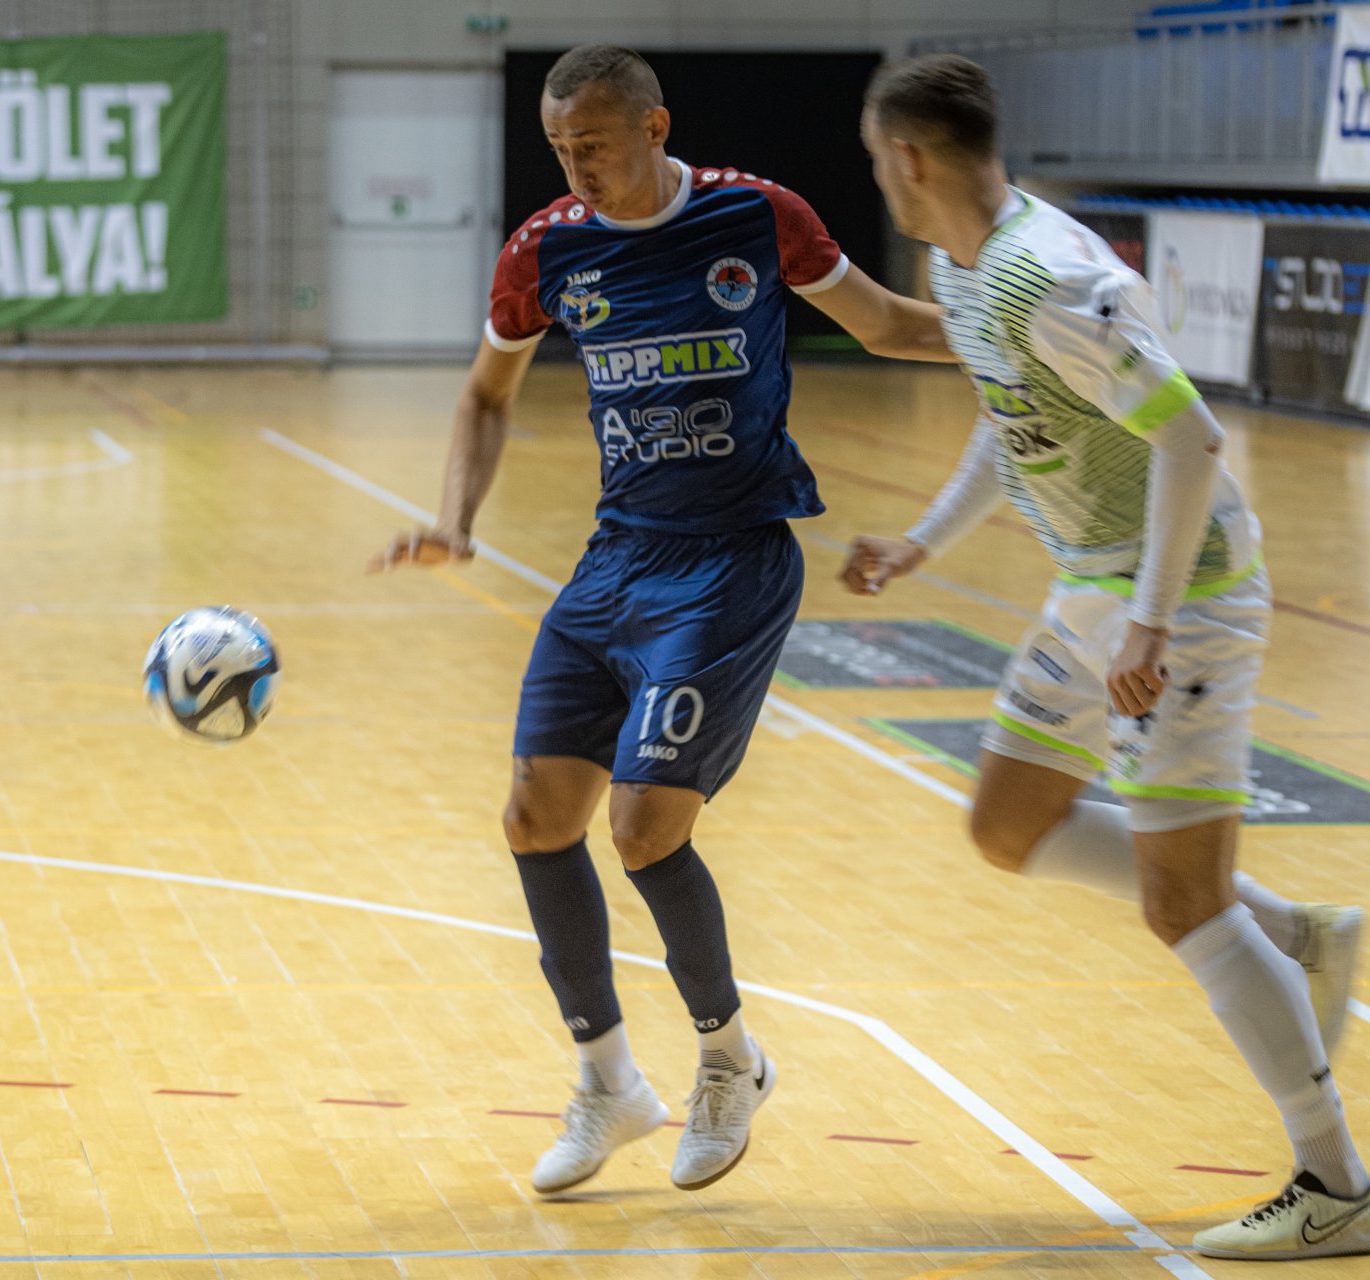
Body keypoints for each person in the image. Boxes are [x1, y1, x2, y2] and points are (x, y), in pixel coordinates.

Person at [371, 44, 953, 1194]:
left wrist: (1024, 336)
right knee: (536, 817)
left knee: (642, 827)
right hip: (617, 558)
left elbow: (887, 324)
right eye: (558, 147)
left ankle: (730, 1061)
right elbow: (485, 393)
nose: (575, 166)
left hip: (732, 561)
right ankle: (609, 1083)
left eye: (591, 142)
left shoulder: (756, 216)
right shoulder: (547, 247)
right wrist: (455, 520)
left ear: (653, 126)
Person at [845, 54, 1370, 1261]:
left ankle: (1338, 1181)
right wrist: (923, 541)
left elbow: (1192, 439)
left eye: (878, 158)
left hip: (1183, 594)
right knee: (1008, 820)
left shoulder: (1051, 277)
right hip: (1099, 584)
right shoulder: (962, 268)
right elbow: (1014, 417)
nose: (877, 175)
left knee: (1180, 900)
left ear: (910, 160)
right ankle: (1293, 934)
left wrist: (1149, 619)